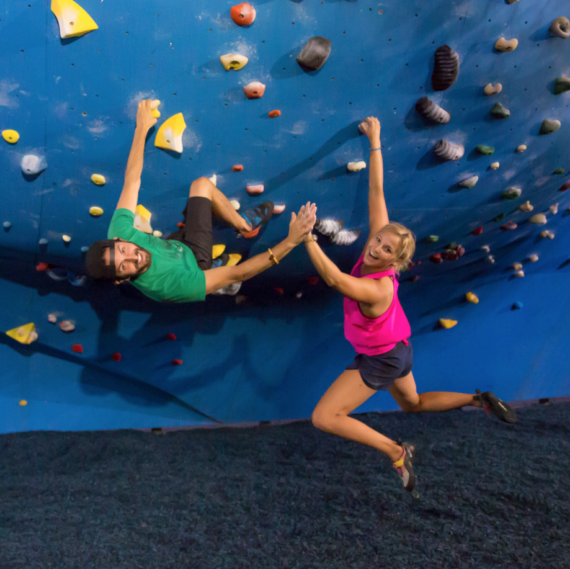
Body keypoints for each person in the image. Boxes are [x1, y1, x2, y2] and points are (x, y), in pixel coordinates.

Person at [303, 116, 516, 493]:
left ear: (394, 262)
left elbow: (336, 280)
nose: (375, 247)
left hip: (384, 358)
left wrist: (306, 239)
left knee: (324, 416)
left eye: (385, 249)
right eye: (378, 239)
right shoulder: (378, 256)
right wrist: (375, 140)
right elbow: (377, 192)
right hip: (399, 351)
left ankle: (394, 451)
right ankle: (477, 398)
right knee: (413, 403)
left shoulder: (379, 288)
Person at [85, 99, 317, 301]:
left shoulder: (120, 231)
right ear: (120, 280)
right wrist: (291, 241)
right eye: (124, 266)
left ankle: (243, 225)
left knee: (202, 185)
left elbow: (131, 181)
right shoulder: (167, 288)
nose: (133, 256)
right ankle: (228, 250)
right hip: (194, 261)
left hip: (173, 246)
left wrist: (142, 128)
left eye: (124, 249)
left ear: (117, 239)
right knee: (218, 272)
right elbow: (240, 273)